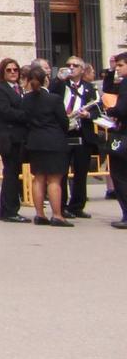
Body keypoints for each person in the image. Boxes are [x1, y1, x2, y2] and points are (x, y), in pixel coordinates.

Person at [23, 61, 75, 228]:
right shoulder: (54, 99)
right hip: (53, 141)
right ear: (46, 80)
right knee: (54, 180)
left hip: (35, 141)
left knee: (38, 178)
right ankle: (57, 215)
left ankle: (39, 214)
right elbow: (63, 121)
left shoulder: (26, 99)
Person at [54, 58, 99, 217]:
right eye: (68, 65)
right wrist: (58, 78)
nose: (71, 68)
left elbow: (97, 110)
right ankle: (61, 206)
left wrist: (88, 114)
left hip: (82, 134)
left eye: (75, 65)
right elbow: (50, 96)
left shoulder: (89, 88)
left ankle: (77, 206)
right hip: (64, 133)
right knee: (61, 172)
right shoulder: (60, 85)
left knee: (81, 172)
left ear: (83, 69)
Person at [0, 56, 30, 222]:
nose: (13, 73)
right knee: (10, 172)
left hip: (20, 136)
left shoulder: (20, 88)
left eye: (15, 70)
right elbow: (4, 111)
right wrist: (27, 116)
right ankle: (8, 211)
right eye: (9, 70)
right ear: (2, 72)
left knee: (15, 172)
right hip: (7, 135)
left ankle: (11, 208)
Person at [99, 51, 127, 228]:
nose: (117, 69)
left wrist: (110, 111)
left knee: (120, 175)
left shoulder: (126, 83)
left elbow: (122, 109)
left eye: (120, 65)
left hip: (124, 134)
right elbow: (109, 88)